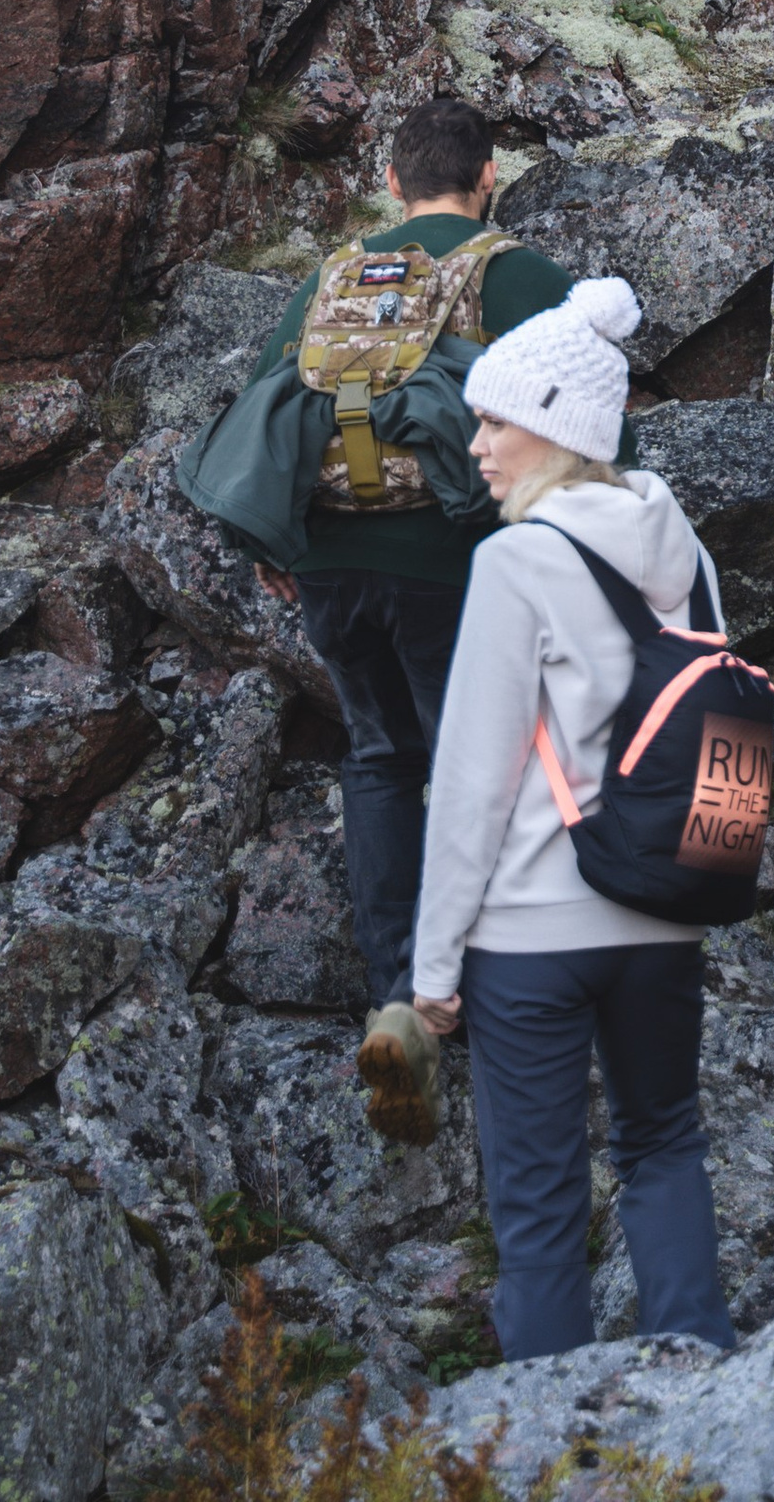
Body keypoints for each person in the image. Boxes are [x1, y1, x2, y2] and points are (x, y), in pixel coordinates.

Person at [406, 276, 737, 1365]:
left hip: (532, 938)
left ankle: (539, 1440)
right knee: (664, 1146)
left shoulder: (514, 563)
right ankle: (698, 1391)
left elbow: (472, 779)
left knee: (538, 1204)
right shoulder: (685, 557)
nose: (478, 443)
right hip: (662, 914)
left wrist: (434, 966)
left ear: (552, 424)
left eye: (495, 420)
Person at [240, 96, 583, 1138]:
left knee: (383, 758)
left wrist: (286, 548)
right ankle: (491, 984)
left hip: (333, 562)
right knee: (486, 769)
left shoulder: (339, 277)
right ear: (488, 176)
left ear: (392, 183)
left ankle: (399, 997)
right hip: (454, 561)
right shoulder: (516, 274)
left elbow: (265, 403)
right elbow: (586, 417)